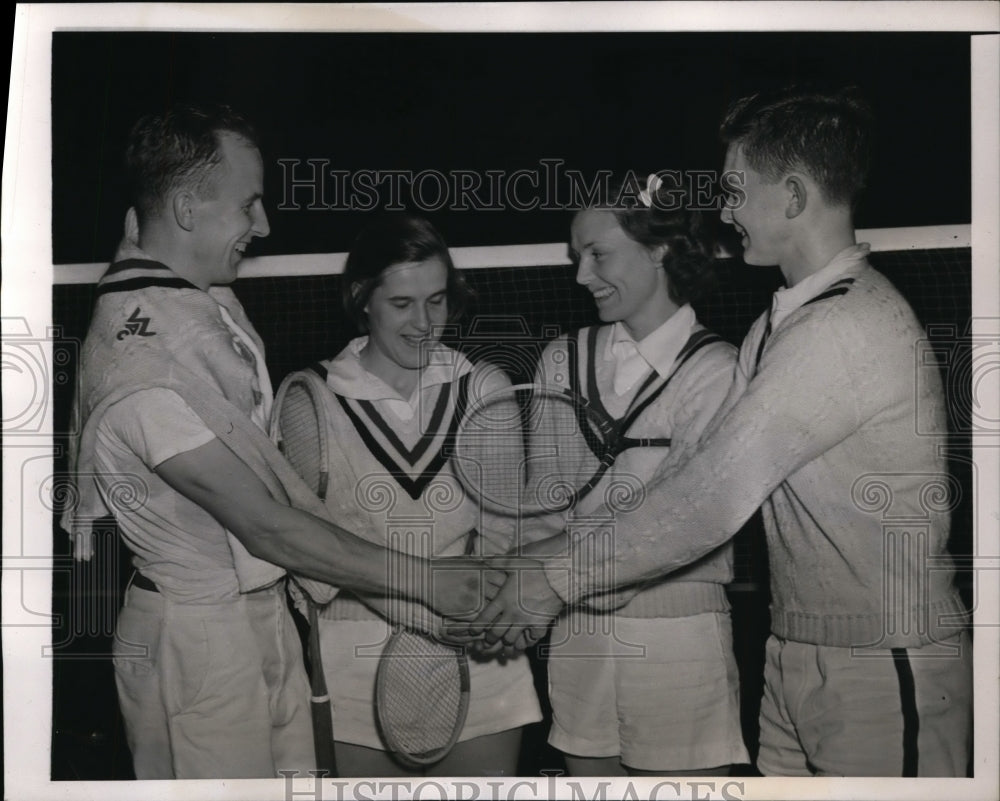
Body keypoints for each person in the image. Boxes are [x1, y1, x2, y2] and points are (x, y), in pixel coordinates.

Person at [467, 86, 973, 777]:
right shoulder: (776, 324)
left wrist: (553, 576)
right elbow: (684, 478)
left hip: (882, 657)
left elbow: (709, 495)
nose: (724, 210)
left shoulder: (846, 325)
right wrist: (543, 556)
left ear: (793, 196)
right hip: (795, 648)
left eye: (737, 191)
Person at [59, 105, 496, 780]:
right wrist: (425, 581)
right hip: (196, 637)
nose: (262, 227)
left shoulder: (195, 304)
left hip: (261, 615)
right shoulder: (140, 357)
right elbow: (268, 527)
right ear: (184, 207)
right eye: (248, 204)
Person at [276, 213, 541, 777]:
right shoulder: (309, 398)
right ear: (362, 298)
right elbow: (312, 555)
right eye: (402, 304)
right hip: (353, 664)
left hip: (479, 659)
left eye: (438, 301)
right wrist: (425, 611)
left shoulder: (484, 387)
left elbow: (503, 535)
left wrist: (486, 610)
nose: (424, 324)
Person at [525, 175, 748, 776]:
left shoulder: (719, 371)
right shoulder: (560, 359)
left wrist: (548, 574)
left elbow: (681, 524)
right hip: (575, 634)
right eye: (578, 257)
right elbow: (541, 507)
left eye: (598, 254)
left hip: (680, 637)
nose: (581, 275)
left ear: (661, 249)